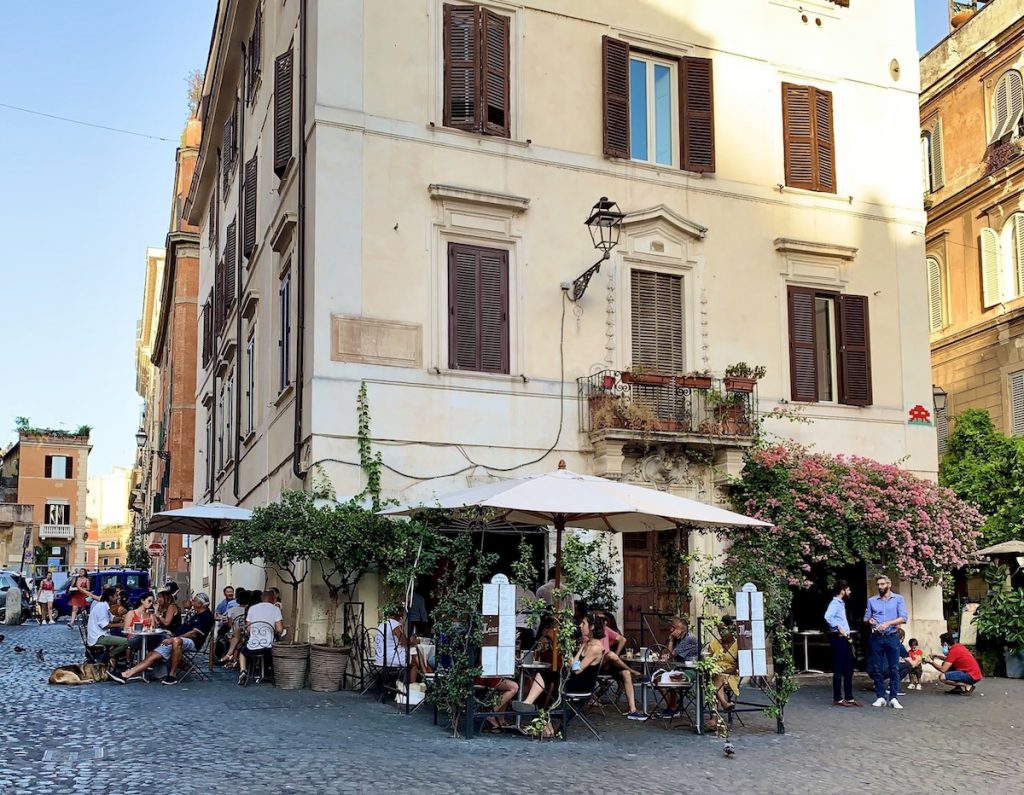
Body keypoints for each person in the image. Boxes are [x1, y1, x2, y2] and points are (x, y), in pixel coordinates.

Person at [111, 593, 215, 685]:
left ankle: (172, 675)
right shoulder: (196, 614)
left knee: (175, 641)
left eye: (195, 600)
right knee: (152, 654)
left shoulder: (206, 616)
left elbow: (193, 633)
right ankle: (125, 675)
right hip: (175, 639)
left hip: (191, 642)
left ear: (201, 604)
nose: (192, 601)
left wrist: (173, 638)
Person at [579, 614, 646, 720]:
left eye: (604, 619)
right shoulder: (587, 637)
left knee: (625, 673)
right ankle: (634, 672)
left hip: (609, 664)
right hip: (596, 665)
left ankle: (632, 710)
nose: (604, 622)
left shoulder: (606, 630)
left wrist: (616, 653)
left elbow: (622, 639)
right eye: (601, 620)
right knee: (611, 655)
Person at [863, 574, 908, 709]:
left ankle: (893, 697)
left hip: (892, 636)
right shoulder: (872, 601)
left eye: (882, 584)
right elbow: (866, 618)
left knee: (894, 668)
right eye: (878, 585)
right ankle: (880, 696)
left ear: (888, 584)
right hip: (877, 637)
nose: (880, 587)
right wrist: (869, 621)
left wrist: (888, 623)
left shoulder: (898, 599)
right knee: (877, 668)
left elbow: (904, 618)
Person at [824, 580, 861, 707]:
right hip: (839, 637)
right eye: (848, 589)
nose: (849, 592)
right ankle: (838, 698)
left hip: (844, 638)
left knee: (849, 668)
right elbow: (828, 617)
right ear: (842, 591)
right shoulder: (835, 603)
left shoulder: (841, 603)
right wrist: (838, 626)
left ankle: (849, 697)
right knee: (839, 668)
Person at [238, 589, 284, 686]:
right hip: (268, 647)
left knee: (242, 652)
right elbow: (279, 630)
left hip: (252, 646)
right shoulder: (276, 609)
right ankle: (274, 673)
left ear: (262, 598)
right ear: (273, 598)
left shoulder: (252, 608)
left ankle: (243, 671)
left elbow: (249, 629)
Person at [657, 617, 699, 718]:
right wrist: (669, 641)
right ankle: (673, 706)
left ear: (682, 629)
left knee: (667, 680)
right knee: (658, 679)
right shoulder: (677, 638)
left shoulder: (689, 638)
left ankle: (673, 708)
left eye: (673, 627)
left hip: (691, 670)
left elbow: (670, 655)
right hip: (679, 669)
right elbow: (663, 653)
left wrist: (671, 641)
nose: (671, 630)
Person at [375, 609, 431, 684]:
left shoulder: (382, 624)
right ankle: (416, 683)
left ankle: (427, 674)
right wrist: (414, 642)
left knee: (414, 653)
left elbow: (398, 642)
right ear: (399, 614)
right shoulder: (395, 625)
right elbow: (404, 642)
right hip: (390, 658)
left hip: (380, 657)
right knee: (413, 661)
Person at [705, 617, 740, 731]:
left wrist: (719, 670)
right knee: (715, 679)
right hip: (715, 675)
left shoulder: (738, 644)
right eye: (719, 630)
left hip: (730, 676)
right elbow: (708, 661)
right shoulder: (715, 643)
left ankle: (714, 718)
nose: (721, 633)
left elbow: (735, 668)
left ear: (731, 629)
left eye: (724, 630)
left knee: (713, 683)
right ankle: (724, 703)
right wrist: (715, 669)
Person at [86, 587, 129, 664]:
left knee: (121, 638)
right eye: (116, 596)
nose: (118, 598)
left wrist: (121, 618)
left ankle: (112, 657)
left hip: (101, 635)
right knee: (127, 642)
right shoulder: (102, 607)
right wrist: (121, 624)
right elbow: (105, 625)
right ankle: (109, 655)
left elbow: (112, 618)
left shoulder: (104, 605)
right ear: (110, 597)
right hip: (99, 637)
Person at [122, 593, 158, 663]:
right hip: (133, 638)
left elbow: (152, 628)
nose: (151, 604)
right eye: (149, 601)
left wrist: (154, 612)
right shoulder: (132, 613)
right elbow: (126, 629)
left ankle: (146, 662)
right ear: (142, 601)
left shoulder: (150, 615)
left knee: (156, 640)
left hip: (146, 638)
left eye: (152, 602)